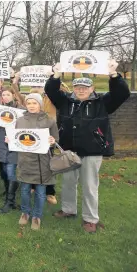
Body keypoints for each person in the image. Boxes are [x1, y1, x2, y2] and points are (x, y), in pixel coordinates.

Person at [47, 61, 130, 233]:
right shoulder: (65, 101)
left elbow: (122, 93)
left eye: (85, 87)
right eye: (78, 87)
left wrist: (113, 75)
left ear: (92, 88)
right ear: (73, 88)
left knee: (90, 186)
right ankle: (69, 210)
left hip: (92, 151)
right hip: (69, 151)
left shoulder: (102, 103)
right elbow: (51, 90)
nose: (81, 90)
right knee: (69, 183)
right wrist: (55, 75)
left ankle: (90, 218)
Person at [13, 72, 69, 205]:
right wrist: (15, 81)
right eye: (34, 86)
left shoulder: (51, 97)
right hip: (32, 131)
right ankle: (32, 186)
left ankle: (50, 192)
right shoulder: (28, 101)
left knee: (47, 164)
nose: (36, 87)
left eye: (39, 86)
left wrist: (55, 77)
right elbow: (17, 94)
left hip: (48, 130)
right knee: (30, 159)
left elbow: (65, 91)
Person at [12, 93, 58, 230]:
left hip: (42, 162)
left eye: (34, 103)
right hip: (25, 160)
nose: (31, 106)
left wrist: (53, 141)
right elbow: (16, 138)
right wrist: (10, 140)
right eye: (29, 103)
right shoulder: (20, 120)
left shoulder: (49, 120)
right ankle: (25, 212)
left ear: (40, 104)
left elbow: (56, 139)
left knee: (40, 191)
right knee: (25, 189)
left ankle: (37, 216)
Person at [0, 88, 25, 214]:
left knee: (11, 171)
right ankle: (8, 192)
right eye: (3, 95)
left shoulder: (21, 110)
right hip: (1, 141)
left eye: (8, 94)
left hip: (14, 142)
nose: (5, 97)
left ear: (13, 95)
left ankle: (10, 201)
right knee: (3, 170)